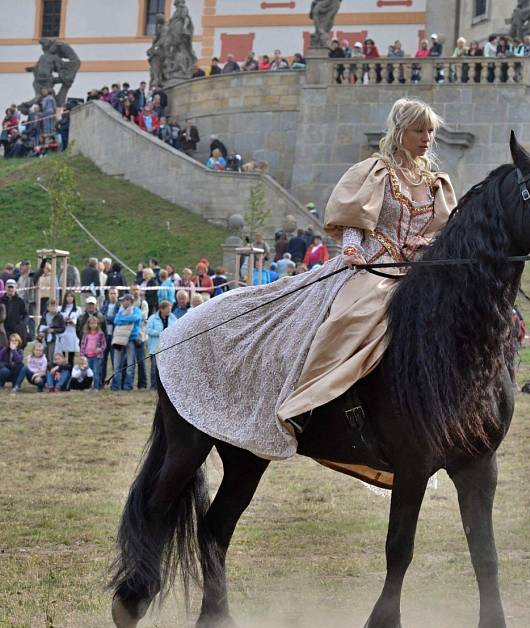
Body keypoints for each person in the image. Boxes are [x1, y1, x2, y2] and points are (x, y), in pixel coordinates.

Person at [159, 97, 458, 462]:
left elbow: (442, 231)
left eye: (430, 131)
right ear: (400, 133)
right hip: (372, 267)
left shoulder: (435, 183)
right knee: (352, 318)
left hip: (415, 272)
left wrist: (429, 244)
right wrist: (351, 248)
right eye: (419, 130)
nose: (427, 137)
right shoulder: (376, 171)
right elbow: (354, 220)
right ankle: (307, 401)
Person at [111, 293, 142, 391]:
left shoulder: (136, 310)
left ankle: (128, 386)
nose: (123, 302)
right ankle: (116, 386)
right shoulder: (120, 311)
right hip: (119, 339)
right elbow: (116, 321)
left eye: (124, 300)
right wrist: (127, 321)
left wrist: (123, 320)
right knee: (117, 364)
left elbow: (136, 318)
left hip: (131, 339)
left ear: (129, 301)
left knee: (130, 365)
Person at [146, 300, 176, 390]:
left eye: (170, 309)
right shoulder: (152, 318)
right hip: (155, 348)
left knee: (168, 369)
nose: (169, 311)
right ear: (162, 309)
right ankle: (154, 386)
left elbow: (176, 328)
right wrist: (161, 333)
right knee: (154, 368)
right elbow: (149, 330)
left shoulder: (173, 318)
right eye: (167, 309)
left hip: (169, 347)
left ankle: (167, 387)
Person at [80, 315, 107, 389]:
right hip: (88, 356)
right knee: (89, 372)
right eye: (91, 323)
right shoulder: (86, 334)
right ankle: (89, 386)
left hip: (97, 357)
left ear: (97, 324)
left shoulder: (100, 334)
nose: (93, 325)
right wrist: (82, 354)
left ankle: (96, 387)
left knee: (96, 372)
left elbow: (104, 344)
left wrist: (100, 349)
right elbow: (82, 344)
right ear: (88, 324)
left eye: (95, 323)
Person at [55, 291, 81, 365]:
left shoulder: (78, 309)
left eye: (71, 296)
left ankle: (70, 370)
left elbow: (80, 323)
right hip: (63, 333)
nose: (69, 298)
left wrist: (72, 322)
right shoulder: (60, 309)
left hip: (72, 333)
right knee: (61, 354)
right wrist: (64, 320)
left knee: (71, 357)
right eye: (68, 296)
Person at [1, 280, 28, 346]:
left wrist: (22, 324)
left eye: (12, 287)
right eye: (8, 287)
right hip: (3, 330)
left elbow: (25, 314)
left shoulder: (20, 301)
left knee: (17, 350)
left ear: (15, 288)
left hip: (16, 330)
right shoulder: (1, 300)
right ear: (5, 288)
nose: (10, 289)